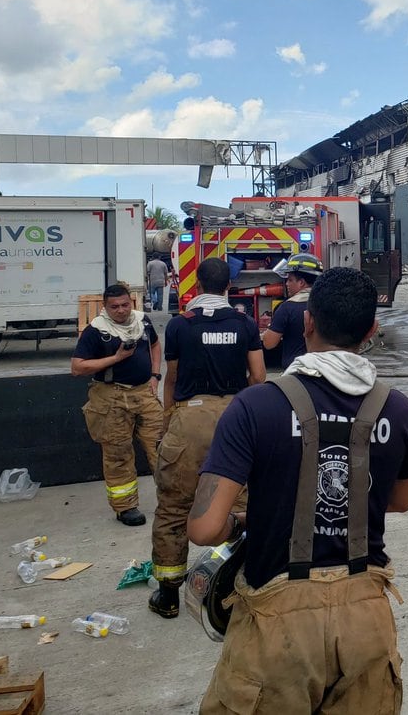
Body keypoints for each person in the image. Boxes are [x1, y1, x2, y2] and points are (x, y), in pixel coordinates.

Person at [189, 267, 408, 715]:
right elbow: (401, 500)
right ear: (372, 330)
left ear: (307, 322)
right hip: (365, 621)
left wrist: (243, 521)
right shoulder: (396, 407)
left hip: (279, 627)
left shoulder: (256, 406)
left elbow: (204, 529)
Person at [149, 257, 266, 619]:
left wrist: (169, 420)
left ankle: (168, 595)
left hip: (189, 417)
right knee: (239, 509)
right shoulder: (244, 324)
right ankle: (235, 589)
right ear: (229, 286)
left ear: (196, 285)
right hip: (235, 418)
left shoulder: (181, 325)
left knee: (174, 506)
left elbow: (171, 378)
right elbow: (259, 377)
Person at [71, 285, 164, 526]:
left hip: (144, 393)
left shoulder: (142, 322)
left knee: (163, 448)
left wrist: (155, 375)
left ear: (131, 303)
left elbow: (154, 345)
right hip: (110, 398)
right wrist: (115, 359)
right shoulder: (96, 331)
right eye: (115, 307)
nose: (121, 311)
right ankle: (126, 507)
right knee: (118, 453)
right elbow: (78, 367)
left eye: (125, 305)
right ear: (105, 307)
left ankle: (172, 500)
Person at [261, 252, 323, 368]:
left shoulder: (286, 308)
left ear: (301, 282)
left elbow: (269, 344)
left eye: (290, 280)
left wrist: (266, 334)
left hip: (295, 372)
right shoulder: (327, 304)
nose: (286, 284)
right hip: (323, 369)